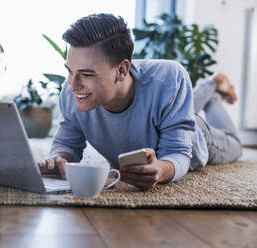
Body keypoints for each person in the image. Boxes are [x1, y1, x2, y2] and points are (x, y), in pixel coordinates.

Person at [37, 13, 242, 191]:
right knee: (169, 106)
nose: (73, 84)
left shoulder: (169, 78)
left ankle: (212, 89)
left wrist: (162, 170)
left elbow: (178, 152)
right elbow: (66, 143)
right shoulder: (71, 92)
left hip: (196, 136)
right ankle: (210, 88)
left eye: (86, 74)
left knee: (236, 146)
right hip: (159, 113)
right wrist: (59, 159)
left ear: (121, 70)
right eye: (70, 71)